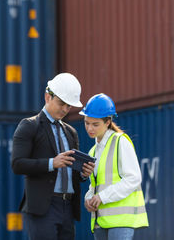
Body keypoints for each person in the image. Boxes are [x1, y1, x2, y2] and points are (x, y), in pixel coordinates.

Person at [11, 73, 95, 240]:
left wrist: (83, 174)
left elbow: (73, 174)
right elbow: (17, 164)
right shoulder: (29, 126)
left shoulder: (71, 133)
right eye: (61, 103)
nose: (65, 109)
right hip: (43, 207)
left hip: (67, 207)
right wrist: (52, 163)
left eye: (69, 106)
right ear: (47, 97)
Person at [79, 93, 148, 240]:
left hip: (120, 221)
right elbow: (96, 185)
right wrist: (89, 198)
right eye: (86, 122)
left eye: (95, 124)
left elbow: (133, 179)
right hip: (100, 221)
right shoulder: (92, 151)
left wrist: (102, 197)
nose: (89, 128)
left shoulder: (120, 142)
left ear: (108, 122)